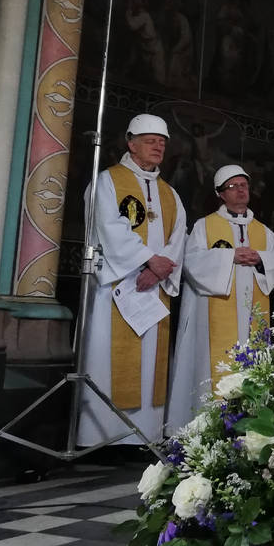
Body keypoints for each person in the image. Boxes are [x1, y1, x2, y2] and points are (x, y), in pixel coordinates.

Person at [77, 114, 186, 447]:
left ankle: (143, 437)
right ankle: (102, 437)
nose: (158, 147)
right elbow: (107, 227)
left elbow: (178, 236)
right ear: (131, 143)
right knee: (108, 361)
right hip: (118, 288)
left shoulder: (170, 193)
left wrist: (157, 269)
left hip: (152, 289)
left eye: (162, 142)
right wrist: (147, 260)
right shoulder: (108, 181)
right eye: (151, 140)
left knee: (150, 364)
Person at [168, 165, 274, 429]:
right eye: (233, 186)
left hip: (251, 314)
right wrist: (229, 256)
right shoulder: (205, 226)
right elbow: (192, 261)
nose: (241, 190)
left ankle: (251, 425)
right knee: (214, 369)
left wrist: (261, 258)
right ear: (220, 193)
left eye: (244, 185)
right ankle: (210, 427)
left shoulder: (262, 230)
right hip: (215, 316)